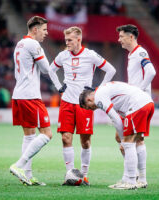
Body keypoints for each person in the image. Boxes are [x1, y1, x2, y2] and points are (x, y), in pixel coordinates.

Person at [48, 26, 116, 185]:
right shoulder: (62, 55)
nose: (67, 43)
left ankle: (84, 175)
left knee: (85, 141)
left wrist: (98, 91)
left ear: (79, 39)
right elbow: (50, 70)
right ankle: (70, 174)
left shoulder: (90, 55)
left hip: (84, 105)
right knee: (65, 138)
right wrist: (59, 87)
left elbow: (110, 70)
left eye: (70, 40)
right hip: (66, 102)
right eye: (66, 40)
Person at [79, 81, 154, 189]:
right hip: (147, 102)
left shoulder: (99, 97)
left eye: (89, 107)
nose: (92, 110)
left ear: (89, 99)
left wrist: (123, 141)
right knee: (137, 140)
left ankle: (131, 181)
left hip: (137, 105)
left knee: (128, 143)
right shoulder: (104, 90)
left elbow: (117, 120)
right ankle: (140, 179)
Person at [9, 16, 52, 186]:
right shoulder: (33, 44)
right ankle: (19, 165)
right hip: (30, 96)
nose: (46, 33)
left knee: (29, 136)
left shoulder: (19, 44)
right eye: (44, 30)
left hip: (19, 94)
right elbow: (47, 69)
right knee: (47, 134)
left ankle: (26, 174)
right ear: (35, 29)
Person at [116, 24, 156, 183]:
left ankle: (135, 177)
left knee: (129, 140)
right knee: (128, 139)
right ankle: (139, 177)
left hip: (138, 102)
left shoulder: (140, 52)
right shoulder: (132, 54)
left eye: (121, 36)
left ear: (130, 37)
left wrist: (138, 91)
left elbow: (152, 72)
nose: (119, 40)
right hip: (136, 102)